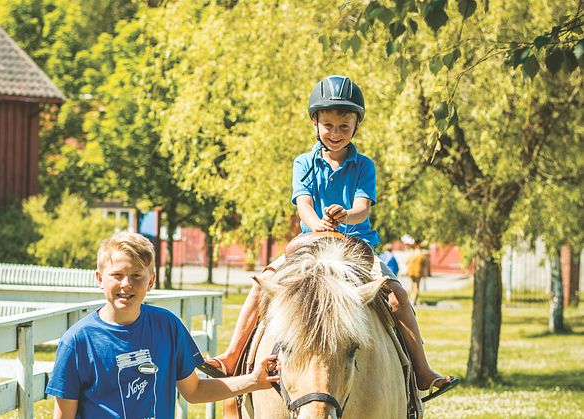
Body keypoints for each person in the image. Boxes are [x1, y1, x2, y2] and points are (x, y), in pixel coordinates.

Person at [206, 75, 458, 403]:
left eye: (344, 126)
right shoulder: (304, 163)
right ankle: (232, 355)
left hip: (355, 243)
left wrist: (345, 216)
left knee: (395, 293)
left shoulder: (364, 166)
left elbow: (362, 209)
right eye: (328, 125)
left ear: (356, 126)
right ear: (315, 122)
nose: (335, 133)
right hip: (311, 242)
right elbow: (304, 204)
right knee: (264, 281)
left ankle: (422, 370)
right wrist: (318, 226)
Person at [46, 232, 279, 419]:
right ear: (99, 279)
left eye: (137, 275)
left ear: (151, 281)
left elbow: (194, 390)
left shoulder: (167, 326)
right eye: (117, 275)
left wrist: (254, 381)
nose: (126, 284)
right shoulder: (77, 342)